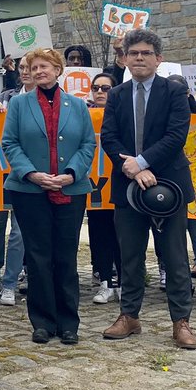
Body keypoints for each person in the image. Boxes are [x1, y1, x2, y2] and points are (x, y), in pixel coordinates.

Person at [99, 28, 196, 350]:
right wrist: (131, 168)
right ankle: (129, 316)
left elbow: (176, 136)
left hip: (169, 184)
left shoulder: (173, 93)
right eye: (133, 53)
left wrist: (142, 162)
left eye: (146, 53)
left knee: (174, 254)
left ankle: (180, 321)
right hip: (128, 185)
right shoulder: (116, 95)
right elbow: (109, 137)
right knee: (130, 254)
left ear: (158, 58)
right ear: (124, 58)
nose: (139, 58)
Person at [2, 48, 97, 345]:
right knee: (38, 256)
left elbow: (87, 144)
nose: (39, 70)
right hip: (30, 189)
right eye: (34, 66)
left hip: (70, 187)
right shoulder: (18, 104)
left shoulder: (78, 106)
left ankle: (69, 322)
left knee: (66, 256)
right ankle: (42, 322)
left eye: (45, 66)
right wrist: (31, 173)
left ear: (58, 70)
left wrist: (71, 173)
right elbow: (10, 143)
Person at [0, 59, 35, 307]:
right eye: (21, 68)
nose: (24, 72)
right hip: (20, 174)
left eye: (30, 68)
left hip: (53, 175)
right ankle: (9, 283)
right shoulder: (9, 99)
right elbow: (8, 140)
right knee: (18, 233)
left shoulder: (61, 99)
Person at [86, 72, 123, 305]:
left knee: (122, 235)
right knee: (99, 234)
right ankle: (105, 282)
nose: (100, 92)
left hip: (119, 180)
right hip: (94, 183)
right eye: (96, 87)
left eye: (106, 88)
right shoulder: (83, 113)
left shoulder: (123, 113)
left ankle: (123, 282)